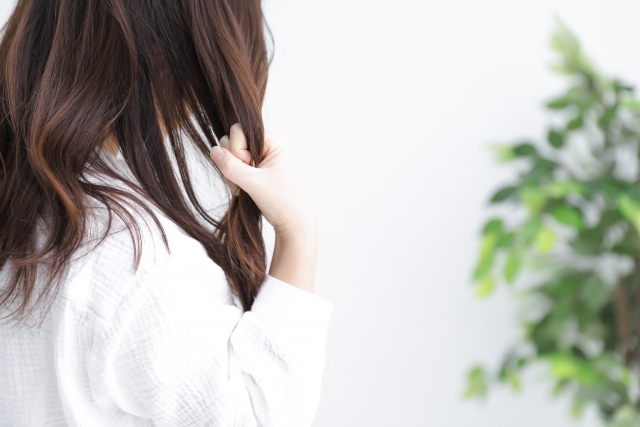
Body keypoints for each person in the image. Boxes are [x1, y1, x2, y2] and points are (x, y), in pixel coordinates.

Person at [0, 0, 333, 426]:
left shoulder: (25, 199)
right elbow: (258, 417)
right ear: (177, 51)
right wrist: (298, 233)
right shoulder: (137, 263)